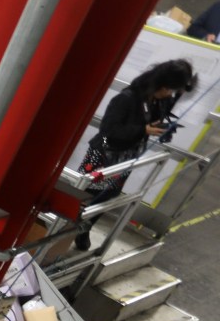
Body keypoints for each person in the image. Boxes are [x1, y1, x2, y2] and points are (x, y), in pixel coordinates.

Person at [77, 58, 196, 247]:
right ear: (162, 85)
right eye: (170, 90)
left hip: (127, 156)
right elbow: (108, 131)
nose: (169, 94)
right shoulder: (126, 98)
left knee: (107, 196)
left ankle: (84, 228)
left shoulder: (156, 99)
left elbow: (155, 118)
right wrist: (143, 130)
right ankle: (67, 229)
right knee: (83, 195)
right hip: (103, 153)